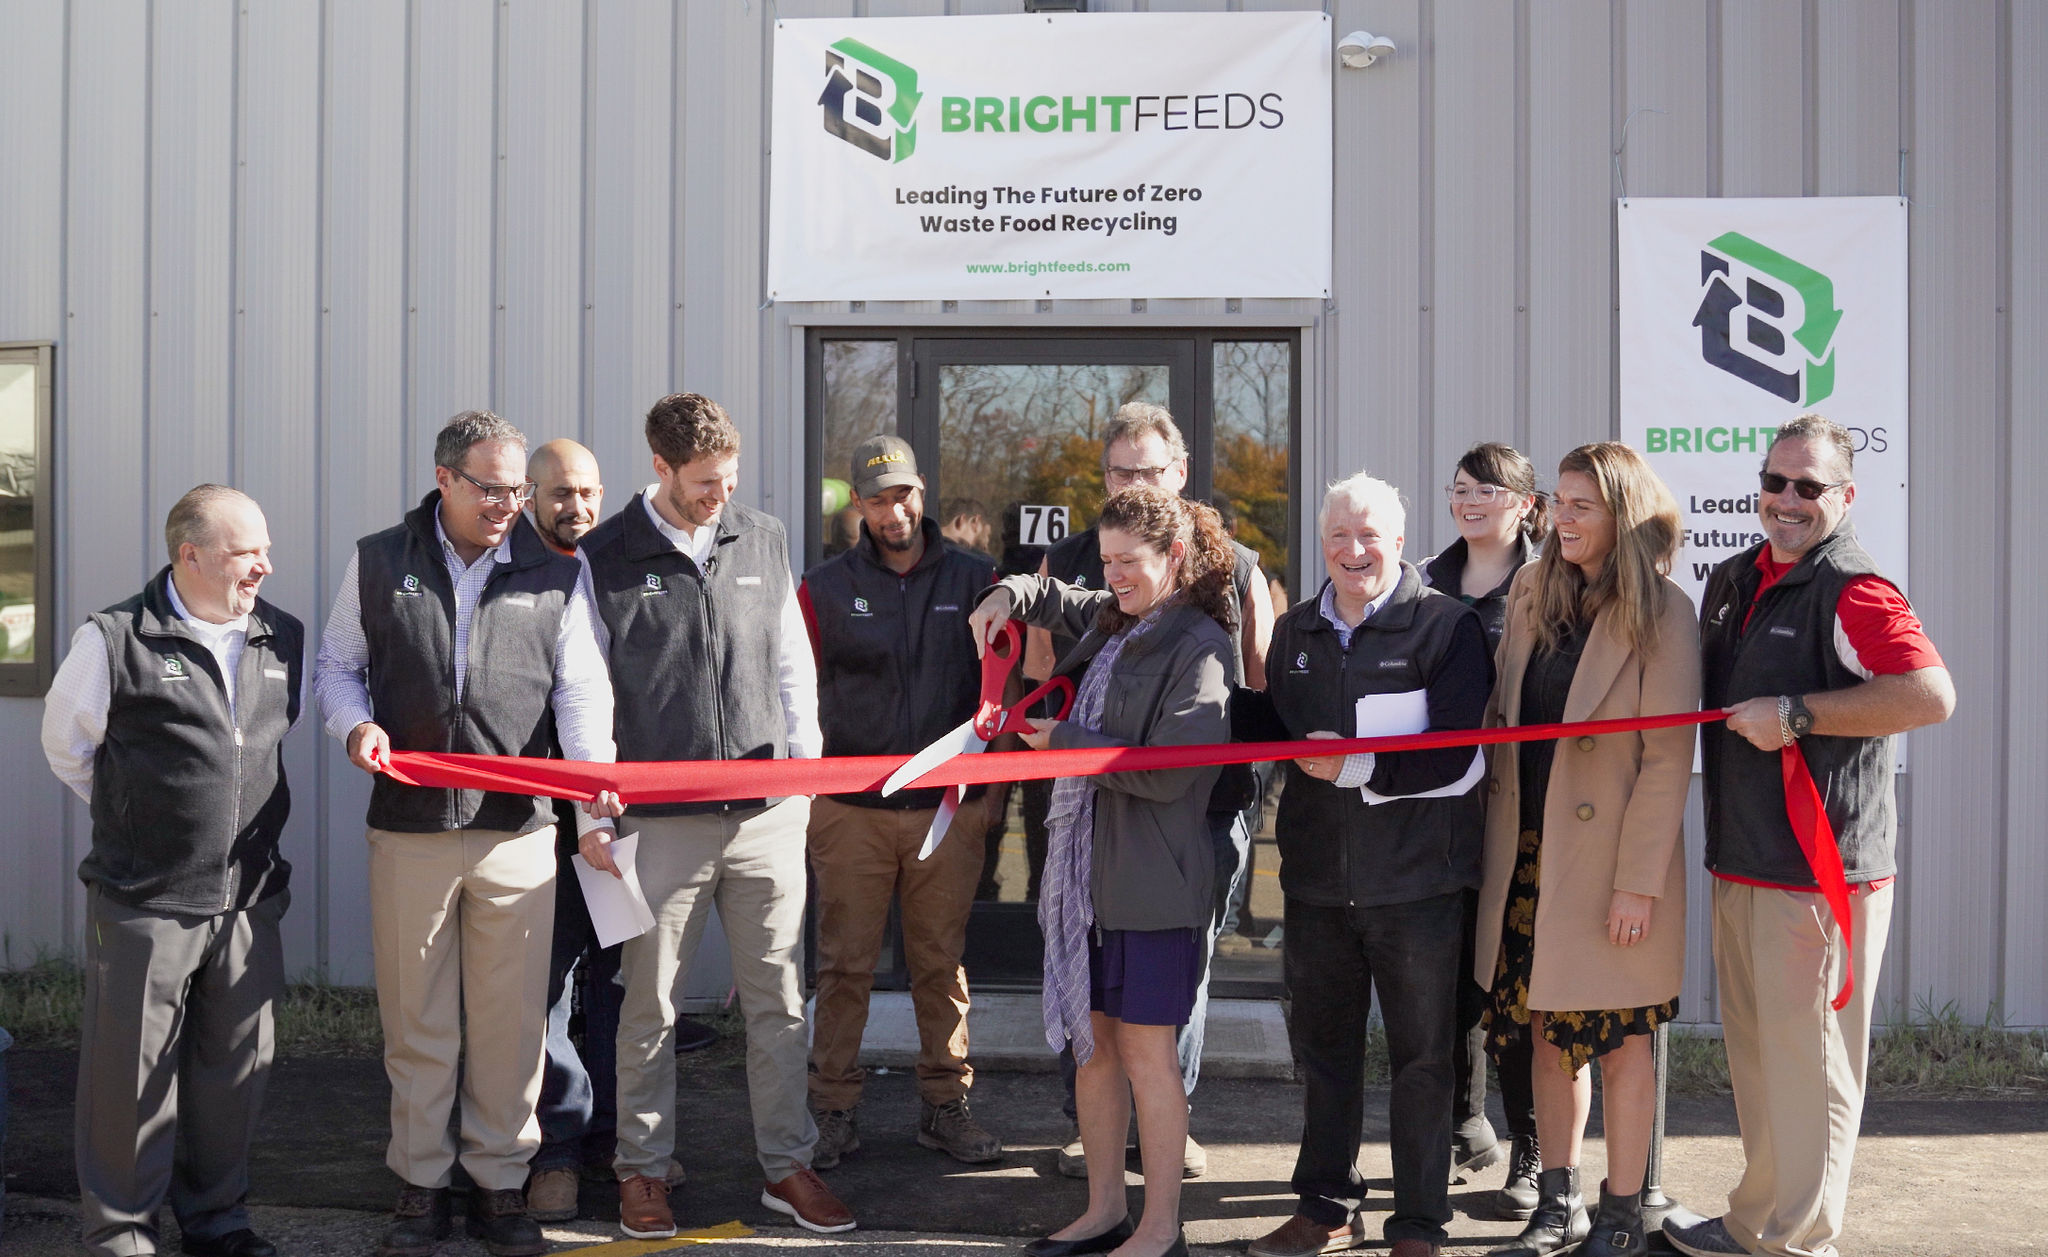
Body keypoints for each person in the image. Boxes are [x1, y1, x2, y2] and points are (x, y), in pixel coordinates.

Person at [313, 412, 623, 1257]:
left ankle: (499, 1185)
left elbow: (582, 695)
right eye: (490, 488)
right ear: (444, 477)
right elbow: (337, 666)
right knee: (418, 1022)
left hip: (517, 832)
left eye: (517, 490)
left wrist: (593, 807)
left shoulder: (556, 574)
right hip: (408, 828)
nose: (507, 505)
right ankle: (420, 1185)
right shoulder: (379, 560)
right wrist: (354, 726)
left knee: (510, 1024)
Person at [1662, 415, 1953, 1257]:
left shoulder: (1854, 589)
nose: (1787, 500)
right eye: (1775, 482)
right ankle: (1757, 1219)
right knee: (1760, 1061)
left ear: (1846, 495)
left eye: (1809, 487)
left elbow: (1929, 694)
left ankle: (1799, 1241)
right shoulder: (1733, 578)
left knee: (1813, 1065)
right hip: (1743, 859)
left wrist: (1795, 713)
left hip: (1821, 876)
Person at [577, 393, 853, 1239]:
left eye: (729, 478)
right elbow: (585, 689)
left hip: (768, 813)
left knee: (780, 1001)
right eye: (703, 481)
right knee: (649, 1005)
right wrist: (593, 804)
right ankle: (642, 1168)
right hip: (659, 824)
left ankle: (788, 1165)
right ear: (660, 466)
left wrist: (804, 778)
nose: (720, 495)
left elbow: (791, 661)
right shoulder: (604, 555)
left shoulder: (761, 537)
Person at [969, 485, 1236, 1257]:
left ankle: (1160, 1228)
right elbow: (1056, 594)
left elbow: (1169, 771)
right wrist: (1005, 595)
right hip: (1085, 886)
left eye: (1129, 561)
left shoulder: (1202, 645)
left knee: (1148, 1059)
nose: (1113, 576)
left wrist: (1064, 742)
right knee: (1094, 1052)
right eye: (1107, 560)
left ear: (1175, 556)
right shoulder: (1118, 617)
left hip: (1153, 887)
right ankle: (1103, 1211)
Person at [41, 485, 303, 1257]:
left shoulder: (278, 635)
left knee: (234, 1071)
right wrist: (143, 818)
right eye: (244, 551)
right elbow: (68, 747)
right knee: (130, 1075)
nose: (263, 565)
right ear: (190, 554)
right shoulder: (115, 638)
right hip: (144, 898)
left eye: (265, 549)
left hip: (249, 898)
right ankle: (122, 1229)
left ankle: (217, 1220)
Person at [1236, 473, 1492, 1257]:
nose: (1355, 550)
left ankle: (1418, 1223)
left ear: (1400, 542)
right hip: (1317, 884)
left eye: (1370, 534)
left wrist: (1358, 765)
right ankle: (1326, 1208)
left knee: (1423, 1061)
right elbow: (1273, 725)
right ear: (1322, 543)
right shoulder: (1295, 630)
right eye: (1340, 535)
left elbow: (1458, 754)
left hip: (1419, 885)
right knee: (1324, 1057)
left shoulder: (1446, 626)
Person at [1028, 402, 1274, 1179]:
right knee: (1101, 1009)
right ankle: (1100, 1140)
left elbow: (1258, 690)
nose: (1133, 482)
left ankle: (1168, 1132)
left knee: (1167, 1002)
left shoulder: (1232, 574)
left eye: (1148, 470)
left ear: (1181, 474)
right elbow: (1056, 633)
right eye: (1120, 471)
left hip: (1195, 815)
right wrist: (1011, 593)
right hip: (1101, 820)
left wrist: (1072, 745)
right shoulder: (1094, 570)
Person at [1472, 443, 1699, 1257]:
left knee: (1623, 1043)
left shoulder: (1664, 611)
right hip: (1529, 855)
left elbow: (1668, 759)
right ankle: (1557, 1203)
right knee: (1546, 1034)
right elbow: (1500, 719)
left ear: (1623, 514)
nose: (1561, 518)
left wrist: (1638, 883)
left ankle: (1623, 1214)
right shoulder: (1532, 589)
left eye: (1582, 505)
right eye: (1558, 502)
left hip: (1611, 866)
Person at [797, 435, 1004, 1170]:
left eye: (905, 495)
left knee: (940, 964)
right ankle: (831, 1109)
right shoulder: (822, 588)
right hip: (848, 811)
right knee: (843, 965)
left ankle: (945, 1105)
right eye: (879, 499)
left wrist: (990, 792)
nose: (895, 512)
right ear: (858, 503)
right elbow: (795, 694)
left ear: (923, 492)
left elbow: (1002, 690)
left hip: (946, 809)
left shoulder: (980, 579)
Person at [1419, 443, 1547, 1213]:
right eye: (1461, 488)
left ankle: (1530, 1148)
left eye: (1487, 490)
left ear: (1526, 504)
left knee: (1513, 990)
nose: (1469, 501)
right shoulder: (1421, 581)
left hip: (1517, 814)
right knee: (1446, 984)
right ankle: (1459, 1128)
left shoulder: (1547, 584)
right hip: (1434, 814)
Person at [938, 494, 996, 561]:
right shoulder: (961, 562)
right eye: (987, 535)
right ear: (975, 521)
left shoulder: (930, 547)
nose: (986, 546)